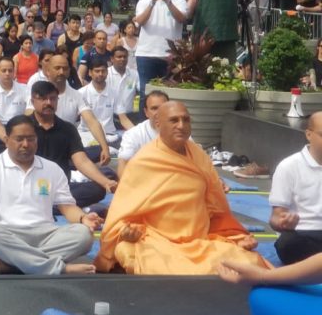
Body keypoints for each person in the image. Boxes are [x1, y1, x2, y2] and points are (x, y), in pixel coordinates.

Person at [95, 101, 270, 275]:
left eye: (186, 120)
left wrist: (236, 237)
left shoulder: (199, 156)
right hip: (159, 242)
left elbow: (216, 208)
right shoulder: (143, 161)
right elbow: (121, 216)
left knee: (250, 261)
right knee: (127, 250)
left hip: (200, 242)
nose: (181, 126)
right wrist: (127, 233)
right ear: (158, 124)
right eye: (174, 120)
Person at [0, 115, 100, 275]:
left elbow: (67, 206)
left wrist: (83, 218)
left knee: (84, 235)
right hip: (8, 235)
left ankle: (15, 265)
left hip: (46, 234)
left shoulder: (51, 169)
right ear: (6, 140)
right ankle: (60, 269)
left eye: (31, 139)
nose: (26, 144)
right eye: (19, 139)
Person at [30, 81, 117, 208]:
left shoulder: (67, 129)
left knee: (97, 190)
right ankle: (58, 207)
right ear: (32, 101)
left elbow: (81, 161)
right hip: (30, 187)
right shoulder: (24, 127)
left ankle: (51, 206)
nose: (48, 103)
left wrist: (106, 182)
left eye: (52, 99)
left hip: (60, 188)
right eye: (43, 99)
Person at [266, 112, 322, 264]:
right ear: (309, 134)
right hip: (303, 234)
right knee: (288, 244)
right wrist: (284, 222)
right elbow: (276, 217)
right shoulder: (289, 166)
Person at [133, 0, 188, 106]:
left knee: (169, 96)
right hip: (146, 54)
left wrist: (167, 1)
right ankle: (144, 125)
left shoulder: (179, 1)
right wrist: (152, 2)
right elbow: (139, 22)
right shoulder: (143, 2)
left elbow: (181, 18)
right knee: (146, 96)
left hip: (170, 56)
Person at [116, 90, 170, 177]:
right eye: (154, 108)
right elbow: (123, 166)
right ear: (146, 112)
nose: (159, 112)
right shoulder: (133, 134)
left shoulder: (178, 131)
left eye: (163, 108)